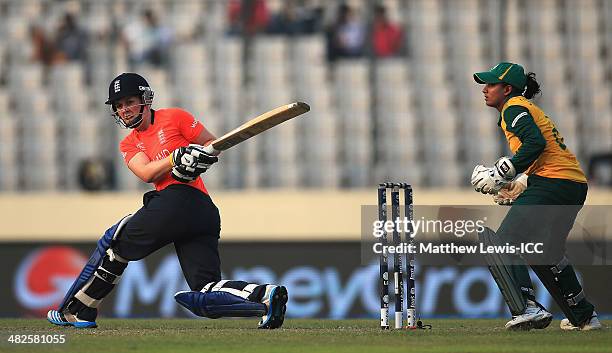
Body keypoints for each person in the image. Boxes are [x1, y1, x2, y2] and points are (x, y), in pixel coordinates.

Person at [47, 73, 288, 329]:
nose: (124, 110)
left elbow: (211, 143)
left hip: (182, 201)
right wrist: (177, 158)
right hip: (197, 211)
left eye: (129, 101)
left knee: (115, 246)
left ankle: (80, 310)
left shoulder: (175, 117)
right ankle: (265, 296)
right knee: (205, 292)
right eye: (118, 106)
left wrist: (197, 161)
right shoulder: (129, 144)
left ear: (145, 99)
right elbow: (147, 172)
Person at [471, 62, 601, 331]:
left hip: (554, 182)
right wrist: (523, 182)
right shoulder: (521, 107)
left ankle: (528, 308)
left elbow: (535, 143)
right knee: (546, 251)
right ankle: (585, 318)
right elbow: (546, 151)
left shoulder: (514, 107)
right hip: (572, 184)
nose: (485, 90)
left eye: (491, 84)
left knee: (506, 240)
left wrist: (503, 172)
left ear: (507, 89)